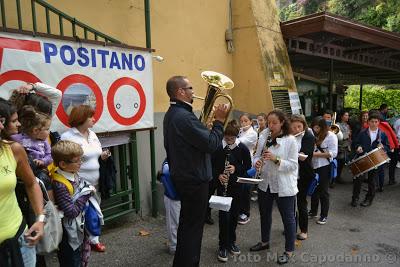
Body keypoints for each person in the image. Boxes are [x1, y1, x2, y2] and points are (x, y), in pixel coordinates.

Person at [163, 75, 228, 267]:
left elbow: (193, 142)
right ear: (180, 92)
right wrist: (218, 123)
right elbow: (212, 144)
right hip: (194, 179)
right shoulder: (183, 116)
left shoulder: (174, 113)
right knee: (193, 228)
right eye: (190, 88)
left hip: (185, 176)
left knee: (187, 225)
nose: (194, 92)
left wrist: (203, 129)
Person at [0, 100, 45, 267]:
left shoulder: (13, 149)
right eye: (13, 120)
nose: (18, 124)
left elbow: (32, 183)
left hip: (20, 240)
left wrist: (40, 218)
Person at [250, 109, 298, 265]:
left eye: (274, 123)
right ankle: (265, 242)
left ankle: (289, 251)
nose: (270, 126)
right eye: (268, 122)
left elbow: (293, 165)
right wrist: (256, 162)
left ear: (282, 122)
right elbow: (256, 155)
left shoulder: (290, 140)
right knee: (265, 214)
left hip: (283, 185)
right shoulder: (264, 135)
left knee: (288, 219)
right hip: (266, 182)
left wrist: (276, 159)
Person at [61, 105, 110, 253]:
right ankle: (87, 240)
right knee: (85, 212)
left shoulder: (92, 134)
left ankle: (91, 239)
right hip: (79, 184)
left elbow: (97, 153)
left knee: (95, 209)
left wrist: (103, 156)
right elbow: (65, 160)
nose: (94, 119)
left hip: (96, 182)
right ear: (82, 118)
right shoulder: (68, 137)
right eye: (91, 117)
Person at [211, 120, 252, 262]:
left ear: (236, 137)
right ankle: (222, 246)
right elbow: (211, 165)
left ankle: (231, 242)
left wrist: (236, 169)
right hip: (223, 187)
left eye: (232, 138)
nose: (229, 141)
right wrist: (218, 175)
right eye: (226, 138)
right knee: (223, 217)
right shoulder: (218, 148)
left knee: (234, 216)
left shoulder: (242, 148)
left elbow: (247, 165)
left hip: (236, 187)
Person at [51, 140, 95, 267]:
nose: (81, 163)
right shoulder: (60, 184)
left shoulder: (71, 173)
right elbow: (71, 212)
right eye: (77, 161)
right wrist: (86, 193)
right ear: (63, 164)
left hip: (77, 228)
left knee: (78, 258)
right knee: (72, 260)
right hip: (68, 233)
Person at [12, 106, 54, 200]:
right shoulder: (18, 138)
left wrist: (43, 161)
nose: (49, 131)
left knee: (46, 182)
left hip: (39, 171)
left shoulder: (44, 143)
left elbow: (49, 156)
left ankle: (51, 205)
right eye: (47, 129)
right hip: (22, 173)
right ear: (35, 130)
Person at [352, 111, 390, 207]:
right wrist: (358, 147)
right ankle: (355, 198)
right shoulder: (362, 132)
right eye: (372, 121)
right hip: (363, 158)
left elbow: (388, 146)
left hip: (376, 159)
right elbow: (355, 143)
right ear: (368, 122)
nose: (374, 123)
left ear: (379, 122)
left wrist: (384, 147)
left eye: (376, 122)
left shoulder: (383, 134)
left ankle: (369, 199)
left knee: (372, 181)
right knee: (358, 180)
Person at [290, 115, 315, 241]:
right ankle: (291, 227)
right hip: (291, 174)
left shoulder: (309, 136)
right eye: (293, 127)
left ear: (303, 126)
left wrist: (291, 154)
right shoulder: (289, 137)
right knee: (290, 202)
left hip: (304, 174)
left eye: (299, 126)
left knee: (301, 202)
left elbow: (305, 155)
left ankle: (304, 230)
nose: (296, 129)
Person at [309, 116, 338, 225]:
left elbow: (333, 153)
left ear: (322, 127)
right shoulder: (312, 134)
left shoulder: (331, 136)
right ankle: (313, 211)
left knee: (323, 191)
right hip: (313, 165)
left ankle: (324, 215)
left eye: (317, 128)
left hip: (325, 166)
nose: (315, 130)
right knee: (314, 189)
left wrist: (314, 154)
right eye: (314, 127)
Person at [237, 113, 257, 225]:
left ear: (250, 122)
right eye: (242, 121)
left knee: (246, 189)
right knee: (239, 187)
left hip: (248, 163)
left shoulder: (253, 133)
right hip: (239, 162)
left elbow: (239, 142)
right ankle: (238, 210)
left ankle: (245, 213)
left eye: (245, 121)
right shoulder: (241, 131)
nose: (243, 123)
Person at [336, 111, 352, 184]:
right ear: (342, 116)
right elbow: (338, 136)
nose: (347, 117)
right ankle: (335, 178)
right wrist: (347, 134)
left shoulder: (347, 125)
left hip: (346, 147)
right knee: (339, 163)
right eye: (346, 115)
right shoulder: (337, 125)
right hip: (340, 147)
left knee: (342, 164)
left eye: (348, 115)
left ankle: (338, 177)